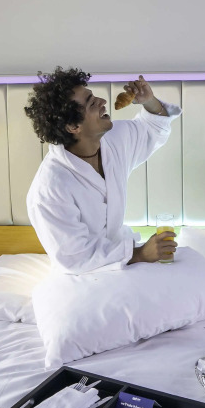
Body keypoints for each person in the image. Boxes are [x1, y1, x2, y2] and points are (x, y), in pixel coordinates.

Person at [24, 67, 180, 273]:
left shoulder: (112, 142)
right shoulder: (50, 187)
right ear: (73, 126)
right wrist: (140, 254)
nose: (103, 101)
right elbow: (74, 258)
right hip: (82, 276)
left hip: (126, 259)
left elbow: (155, 128)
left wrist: (149, 100)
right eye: (91, 103)